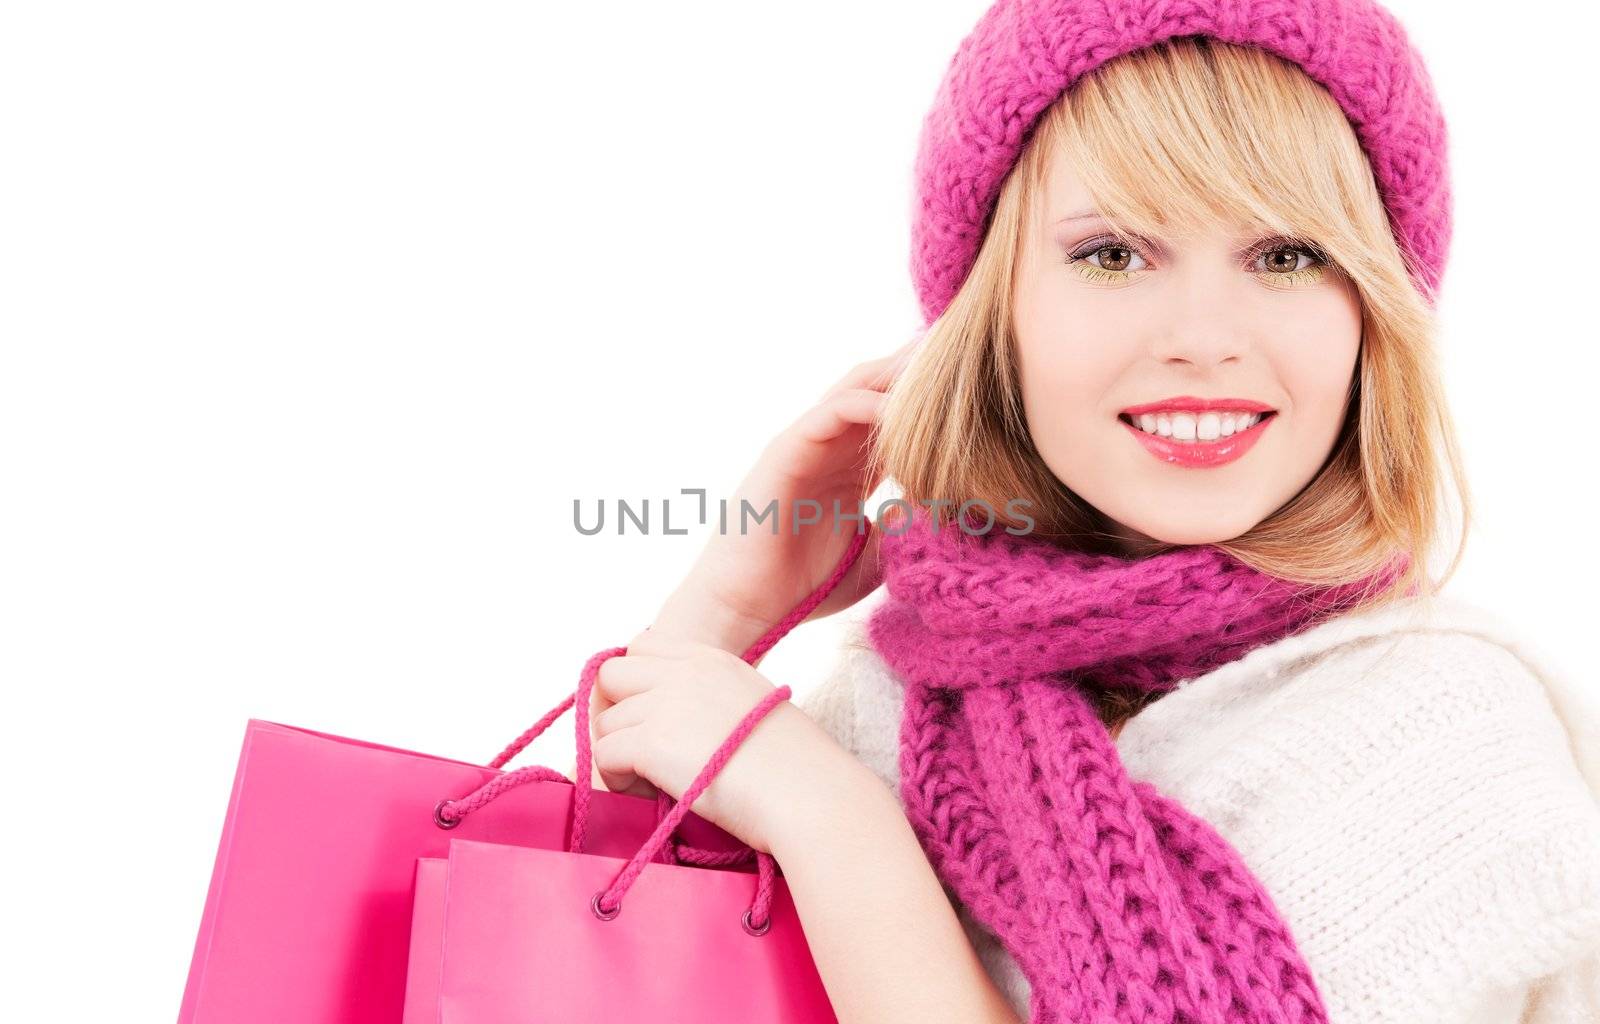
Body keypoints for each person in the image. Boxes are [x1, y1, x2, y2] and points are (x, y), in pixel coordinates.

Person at [582, 2, 1600, 1021]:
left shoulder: (1437, 732)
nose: (1203, 337)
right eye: (1112, 253)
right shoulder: (894, 700)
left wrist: (836, 827)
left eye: (1286, 254)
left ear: (1373, 312)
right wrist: (725, 609)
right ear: (995, 311)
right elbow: (598, 947)